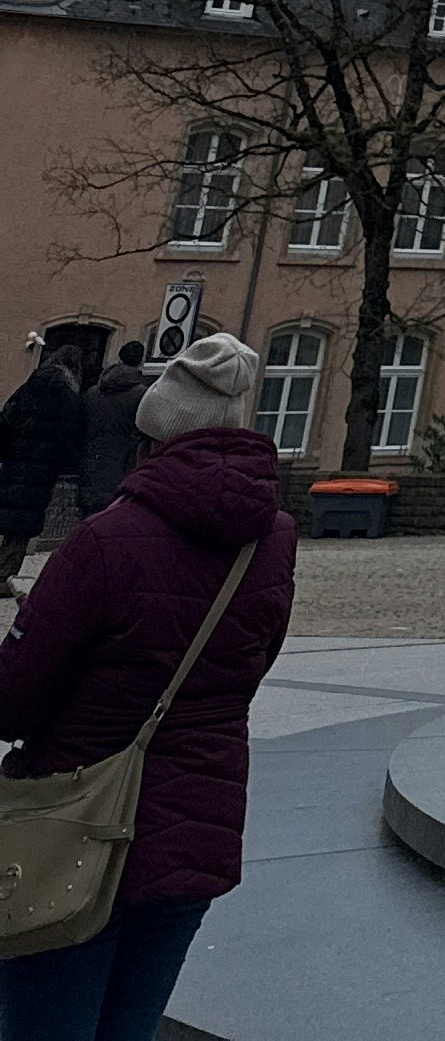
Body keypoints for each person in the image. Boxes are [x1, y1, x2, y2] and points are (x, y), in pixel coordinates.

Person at [0, 329, 297, 1041]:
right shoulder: (274, 539)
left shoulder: (104, 542)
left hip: (76, 829)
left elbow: (12, 703)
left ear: (152, 432)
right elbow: (252, 665)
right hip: (196, 833)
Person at [0, 348, 86, 601]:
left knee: (8, 515)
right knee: (21, 527)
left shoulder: (30, 385)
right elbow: (69, 437)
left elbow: (6, 420)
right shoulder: (68, 396)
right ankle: (4, 577)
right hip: (42, 471)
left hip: (15, 463)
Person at [75, 351, 148, 524]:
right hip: (123, 467)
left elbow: (81, 428)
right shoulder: (141, 395)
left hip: (89, 466)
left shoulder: (92, 393)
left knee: (86, 520)